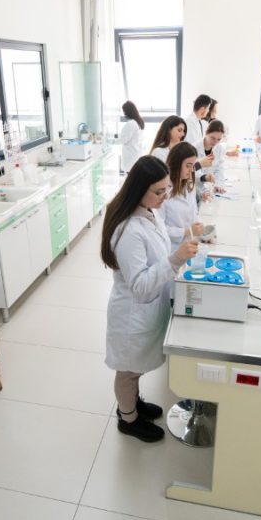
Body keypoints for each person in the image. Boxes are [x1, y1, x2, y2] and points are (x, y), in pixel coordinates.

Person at [101, 156, 200, 442]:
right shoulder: (128, 231)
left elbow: (157, 254)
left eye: (166, 189)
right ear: (139, 189)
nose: (165, 196)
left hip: (149, 309)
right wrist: (174, 260)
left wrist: (178, 255)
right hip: (132, 314)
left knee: (136, 367)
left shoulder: (147, 211)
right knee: (128, 371)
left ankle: (133, 403)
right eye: (159, 191)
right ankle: (128, 419)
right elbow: (140, 286)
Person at [160, 142, 203, 249]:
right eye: (188, 166)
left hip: (190, 245)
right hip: (171, 248)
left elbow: (194, 214)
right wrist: (187, 231)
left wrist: (199, 231)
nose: (191, 170)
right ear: (176, 164)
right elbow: (159, 228)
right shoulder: (162, 191)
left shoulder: (188, 185)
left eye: (193, 166)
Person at [119, 101, 145, 175]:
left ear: (127, 112)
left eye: (124, 111)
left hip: (131, 157)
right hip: (136, 154)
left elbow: (123, 140)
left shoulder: (130, 124)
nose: (124, 113)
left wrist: (112, 140)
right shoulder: (138, 122)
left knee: (130, 176)